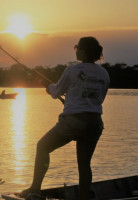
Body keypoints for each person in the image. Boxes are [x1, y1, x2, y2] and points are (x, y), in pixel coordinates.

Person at [18, 37, 110, 200]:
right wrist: (72, 101)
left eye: (77, 47)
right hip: (95, 123)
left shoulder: (72, 70)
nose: (75, 50)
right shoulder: (104, 74)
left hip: (73, 122)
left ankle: (35, 189)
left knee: (43, 147)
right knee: (84, 164)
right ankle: (83, 198)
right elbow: (98, 99)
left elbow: (55, 91)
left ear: (84, 50)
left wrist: (49, 87)